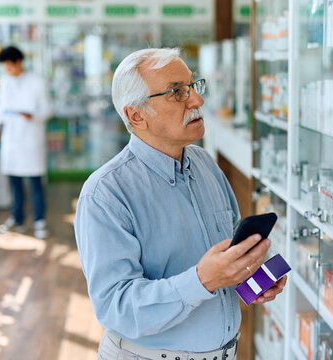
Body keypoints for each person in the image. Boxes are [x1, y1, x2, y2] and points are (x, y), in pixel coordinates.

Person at [74, 48, 287, 360]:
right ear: (136, 114)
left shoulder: (205, 165)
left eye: (192, 86)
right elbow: (116, 307)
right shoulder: (105, 193)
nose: (197, 101)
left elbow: (227, 260)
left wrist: (253, 279)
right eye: (176, 92)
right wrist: (202, 280)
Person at [0, 46, 52, 238]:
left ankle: (39, 221)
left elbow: (47, 110)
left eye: (10, 67)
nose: (8, 71)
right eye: (5, 67)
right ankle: (18, 218)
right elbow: (3, 112)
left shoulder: (38, 82)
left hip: (31, 140)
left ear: (19, 62)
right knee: (14, 183)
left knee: (35, 183)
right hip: (12, 140)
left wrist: (32, 116)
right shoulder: (5, 83)